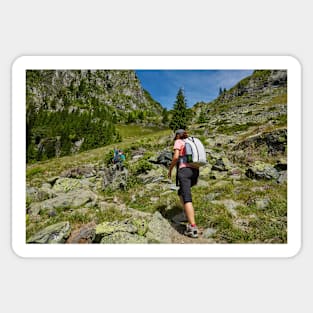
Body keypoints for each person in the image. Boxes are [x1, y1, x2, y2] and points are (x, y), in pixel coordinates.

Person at [168, 129, 199, 238]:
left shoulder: (178, 141)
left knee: (186, 197)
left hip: (184, 171)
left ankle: (192, 227)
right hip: (195, 171)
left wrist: (170, 169)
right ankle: (186, 214)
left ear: (177, 135)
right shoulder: (190, 141)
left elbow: (176, 157)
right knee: (181, 192)